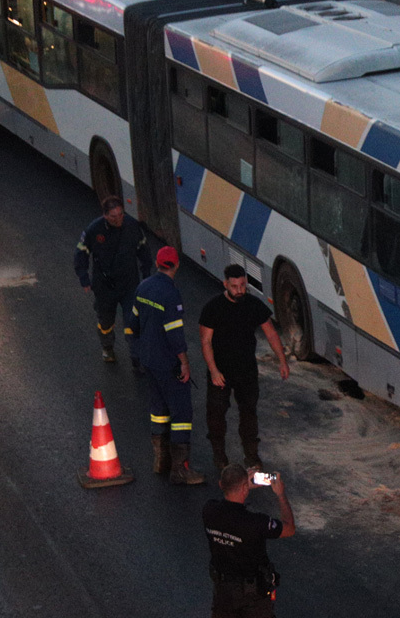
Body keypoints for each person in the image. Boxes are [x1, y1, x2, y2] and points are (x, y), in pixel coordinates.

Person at [200, 265, 290, 471]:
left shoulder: (253, 305)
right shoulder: (213, 308)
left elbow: (271, 333)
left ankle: (251, 456)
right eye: (234, 286)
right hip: (220, 373)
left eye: (242, 285)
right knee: (216, 417)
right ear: (225, 284)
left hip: (247, 372)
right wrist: (214, 371)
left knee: (249, 415)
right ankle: (219, 456)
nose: (239, 290)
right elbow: (205, 341)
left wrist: (282, 361)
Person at [130, 245, 206, 485]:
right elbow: (175, 335)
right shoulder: (170, 294)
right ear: (176, 265)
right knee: (181, 412)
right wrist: (184, 363)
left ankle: (160, 461)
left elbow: (133, 323)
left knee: (158, 409)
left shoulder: (143, 287)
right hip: (167, 363)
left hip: (149, 360)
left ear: (157, 262)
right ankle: (180, 469)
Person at [204, 464, 295, 618]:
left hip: (223, 592)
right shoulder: (256, 522)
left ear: (221, 485)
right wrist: (280, 495)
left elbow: (226, 502)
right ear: (245, 488)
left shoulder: (208, 510)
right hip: (253, 596)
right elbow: (289, 529)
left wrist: (242, 486)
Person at [74, 195, 153, 367]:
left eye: (121, 215)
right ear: (105, 216)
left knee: (133, 321)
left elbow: (144, 251)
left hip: (129, 284)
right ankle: (107, 347)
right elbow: (81, 253)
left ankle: (137, 358)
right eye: (113, 217)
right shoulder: (94, 230)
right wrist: (84, 278)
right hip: (104, 287)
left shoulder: (132, 226)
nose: (118, 220)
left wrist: (146, 275)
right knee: (106, 322)